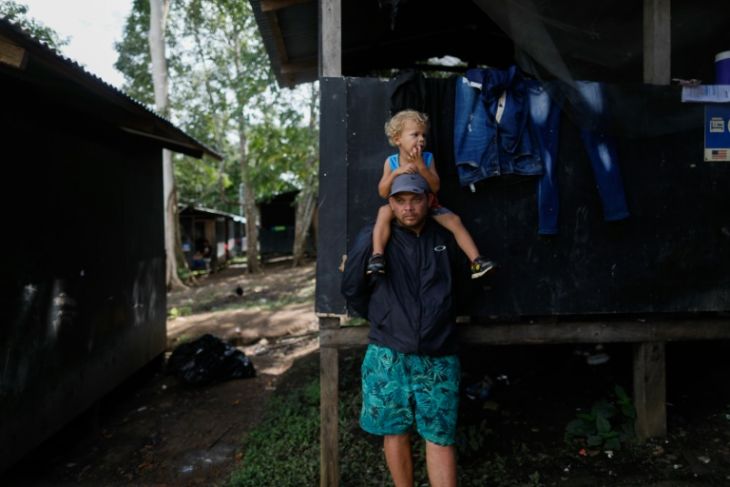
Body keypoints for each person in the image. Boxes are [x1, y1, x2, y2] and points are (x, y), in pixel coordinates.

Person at [342, 173, 469, 487]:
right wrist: (384, 318)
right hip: (388, 353)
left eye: (415, 200)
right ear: (391, 204)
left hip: (439, 352)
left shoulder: (446, 236)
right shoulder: (374, 238)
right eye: (400, 201)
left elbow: (465, 287)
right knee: (394, 430)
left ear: (429, 200)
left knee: (440, 434)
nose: (408, 208)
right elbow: (352, 288)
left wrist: (439, 319)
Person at [368, 109, 495, 279]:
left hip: (427, 204)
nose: (421, 139)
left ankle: (476, 261)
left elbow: (435, 187)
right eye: (415, 135)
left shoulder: (427, 158)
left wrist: (421, 166)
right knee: (383, 212)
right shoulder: (391, 162)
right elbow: (383, 192)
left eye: (423, 135)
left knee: (454, 220)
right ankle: (377, 257)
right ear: (398, 139)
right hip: (401, 206)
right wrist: (396, 173)